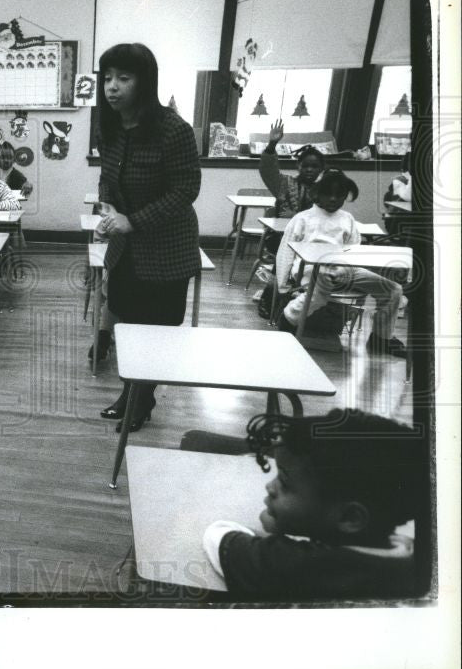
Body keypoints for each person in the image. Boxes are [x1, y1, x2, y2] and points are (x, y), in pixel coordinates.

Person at [202, 408, 424, 599]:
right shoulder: (407, 549)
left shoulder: (309, 566)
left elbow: (221, 538)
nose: (270, 487)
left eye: (285, 483)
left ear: (350, 518)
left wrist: (269, 535)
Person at [93, 43, 202, 431]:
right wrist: (107, 210)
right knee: (127, 324)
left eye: (124, 77)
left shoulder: (173, 129)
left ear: (145, 81)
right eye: (107, 78)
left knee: (154, 331)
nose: (112, 86)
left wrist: (133, 221)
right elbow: (108, 177)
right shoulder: (111, 127)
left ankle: (141, 400)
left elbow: (186, 189)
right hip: (126, 251)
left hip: (166, 249)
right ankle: (130, 393)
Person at [275, 168, 406, 357]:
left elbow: (353, 250)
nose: (334, 199)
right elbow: (285, 252)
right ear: (316, 194)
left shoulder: (347, 219)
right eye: (329, 194)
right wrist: (282, 285)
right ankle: (289, 318)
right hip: (311, 270)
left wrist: (347, 269)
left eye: (340, 196)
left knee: (393, 290)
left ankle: (381, 338)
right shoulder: (302, 219)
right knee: (321, 286)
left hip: (344, 270)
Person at [255, 120, 327, 317]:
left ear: (322, 169)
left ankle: (311, 303)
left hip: (313, 240)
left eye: (315, 166)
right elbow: (267, 171)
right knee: (284, 260)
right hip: (282, 239)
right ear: (299, 166)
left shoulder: (327, 191)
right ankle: (270, 300)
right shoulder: (285, 184)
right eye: (306, 166)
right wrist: (271, 145)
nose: (310, 170)